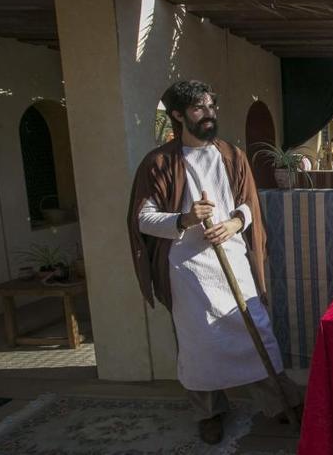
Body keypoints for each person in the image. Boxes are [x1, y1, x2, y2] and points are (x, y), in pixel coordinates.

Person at [127, 81, 303, 445]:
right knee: (200, 344)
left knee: (256, 334)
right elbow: (143, 218)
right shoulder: (158, 162)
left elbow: (248, 205)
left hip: (234, 260)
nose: (209, 114)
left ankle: (281, 401)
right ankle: (209, 412)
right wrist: (185, 219)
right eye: (198, 109)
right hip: (188, 269)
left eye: (211, 106)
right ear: (178, 115)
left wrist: (235, 223)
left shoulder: (232, 155)